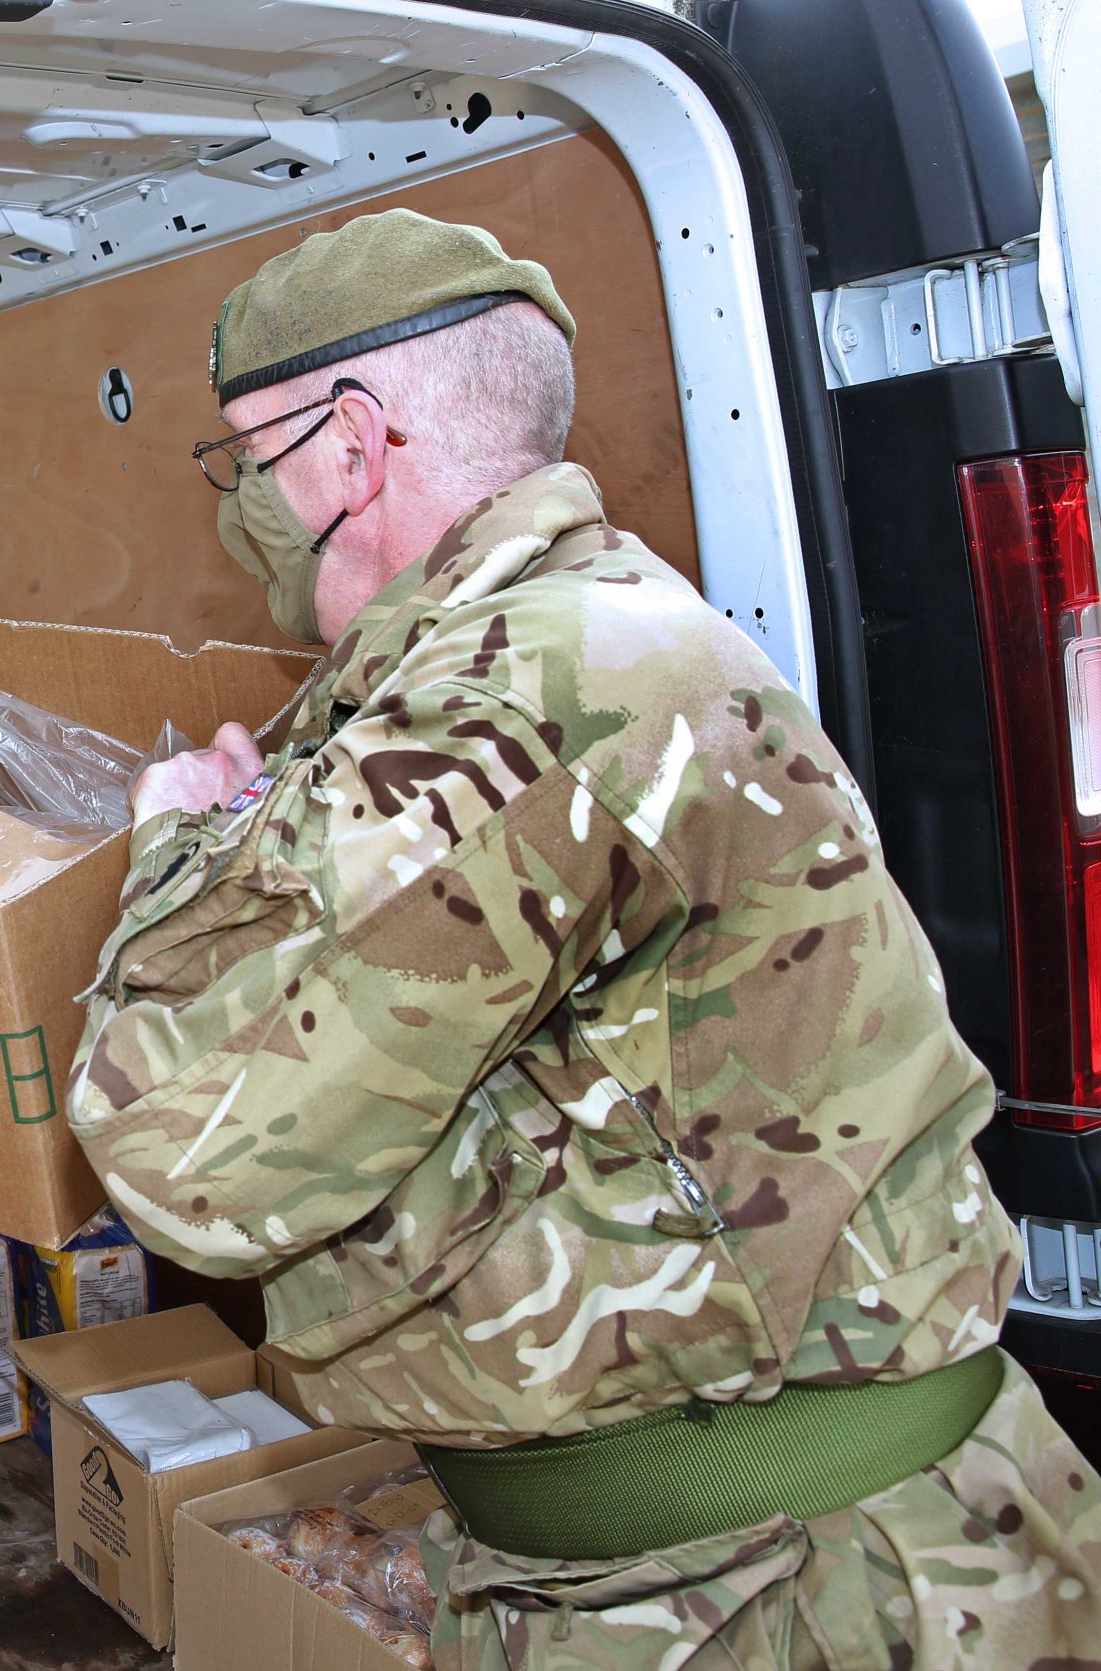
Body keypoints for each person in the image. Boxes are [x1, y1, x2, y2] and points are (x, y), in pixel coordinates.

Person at [68, 208, 1101, 1665]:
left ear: (354, 449)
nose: (244, 501)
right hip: (678, 1569)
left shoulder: (532, 691)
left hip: (794, 1591)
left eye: (252, 458)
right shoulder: (540, 642)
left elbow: (189, 1153)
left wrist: (176, 843)